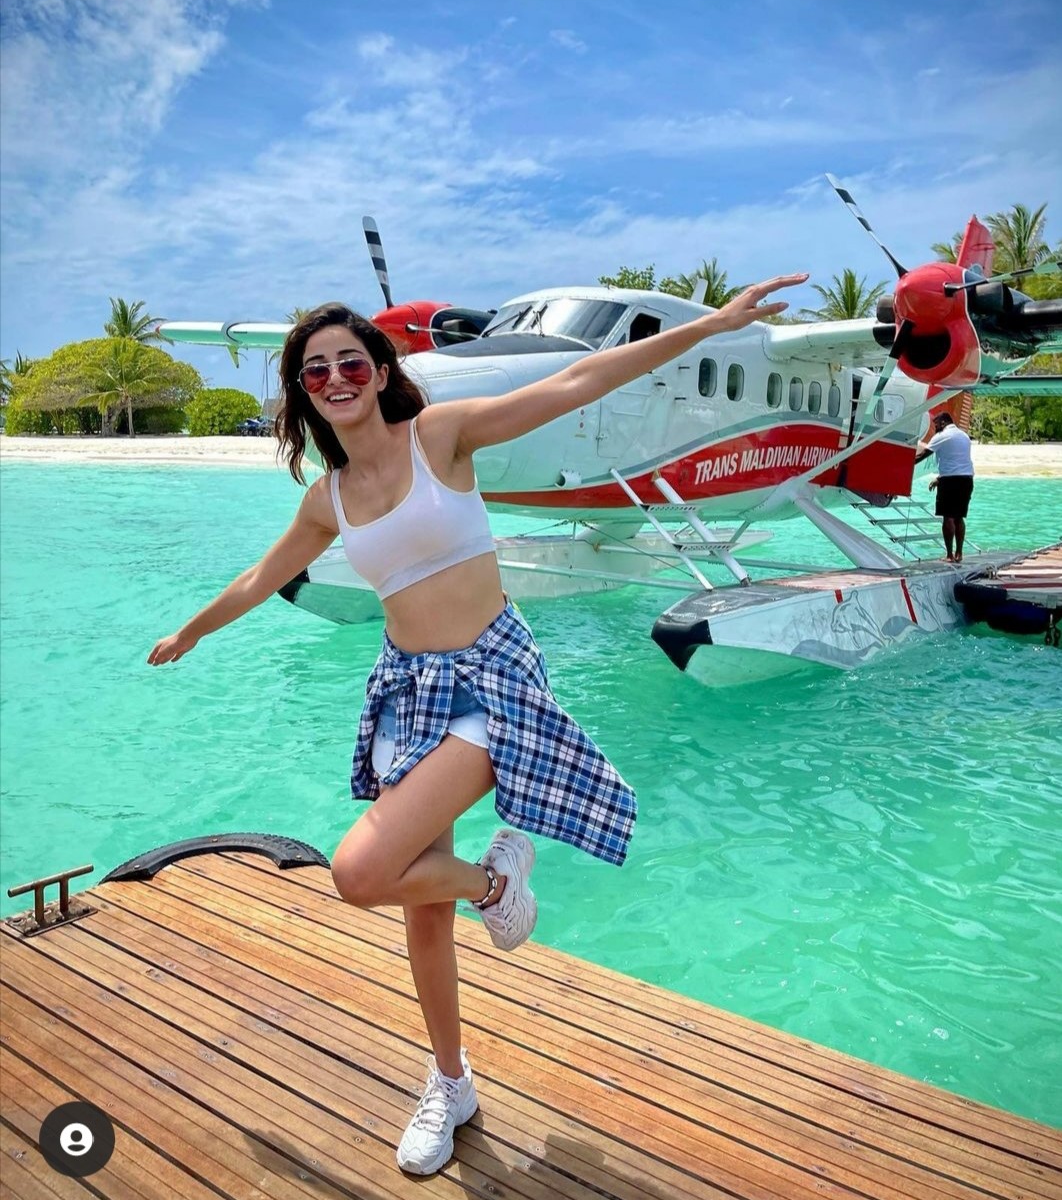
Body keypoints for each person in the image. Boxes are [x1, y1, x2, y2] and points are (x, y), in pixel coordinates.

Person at [147, 271, 806, 1175]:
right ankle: (451, 1081)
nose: (336, 378)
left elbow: (576, 381)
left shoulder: (441, 436)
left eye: (351, 362)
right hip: (408, 688)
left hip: (491, 678)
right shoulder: (326, 498)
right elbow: (263, 577)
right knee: (421, 909)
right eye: (315, 370)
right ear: (303, 391)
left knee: (360, 871)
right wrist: (192, 629)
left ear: (382, 371)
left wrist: (711, 327)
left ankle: (496, 885)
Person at [915, 410, 974, 562]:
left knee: (948, 517)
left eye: (936, 425)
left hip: (950, 481)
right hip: (967, 479)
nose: (935, 428)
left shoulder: (942, 436)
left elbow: (923, 454)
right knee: (959, 517)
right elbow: (956, 462)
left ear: (942, 423)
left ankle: (949, 555)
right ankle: (959, 553)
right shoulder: (964, 436)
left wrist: (906, 464)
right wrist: (940, 479)